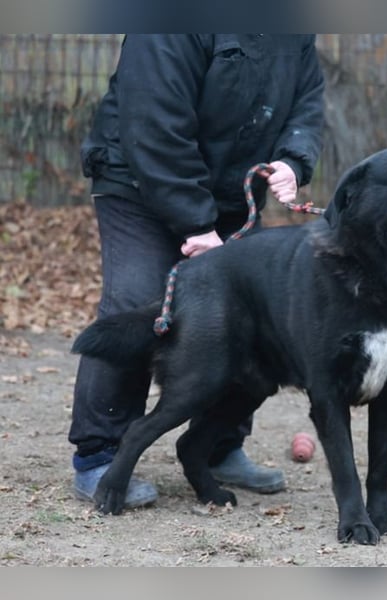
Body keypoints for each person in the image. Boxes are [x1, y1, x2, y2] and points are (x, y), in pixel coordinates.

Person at [69, 34, 325, 508]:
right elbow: (153, 121)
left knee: (243, 321)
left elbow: (307, 100)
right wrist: (195, 222)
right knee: (138, 301)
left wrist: (293, 157)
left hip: (231, 189)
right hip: (138, 180)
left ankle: (218, 446)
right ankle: (98, 455)